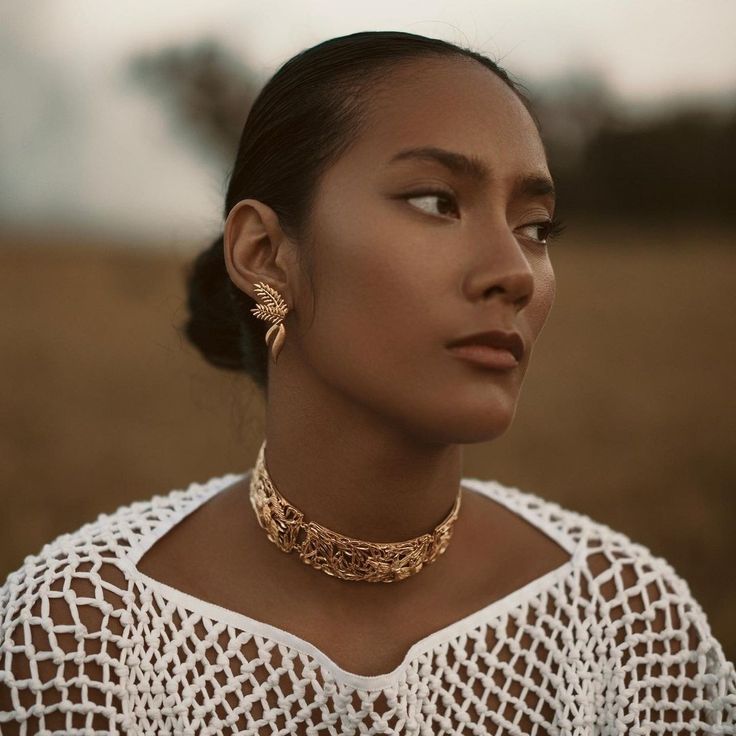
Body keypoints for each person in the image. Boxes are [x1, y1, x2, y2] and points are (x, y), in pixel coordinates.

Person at [1, 29, 734, 735]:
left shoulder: (631, 631)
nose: (515, 272)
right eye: (437, 202)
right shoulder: (80, 640)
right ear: (263, 252)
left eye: (536, 226)